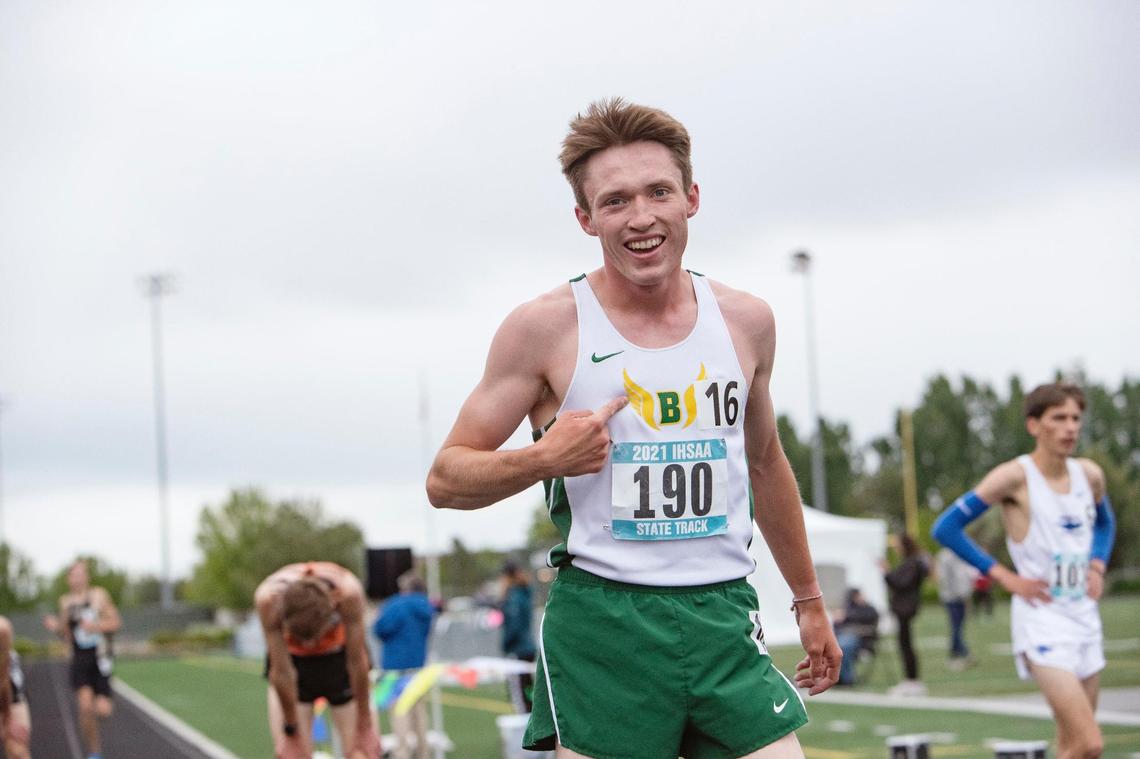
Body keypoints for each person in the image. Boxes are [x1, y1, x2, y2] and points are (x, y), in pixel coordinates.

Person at [427, 97, 841, 759]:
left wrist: (809, 598)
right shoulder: (544, 328)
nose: (641, 217)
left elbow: (765, 463)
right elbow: (444, 479)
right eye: (616, 201)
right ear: (585, 217)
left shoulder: (746, 321)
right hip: (605, 627)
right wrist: (544, 458)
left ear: (692, 198)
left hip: (722, 615)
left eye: (658, 192)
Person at [933, 382, 1115, 759]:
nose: (1070, 427)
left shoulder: (1089, 475)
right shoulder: (1014, 477)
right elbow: (945, 528)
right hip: (1041, 620)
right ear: (1034, 425)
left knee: (1073, 746)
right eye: (1059, 418)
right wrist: (1004, 577)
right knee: (1090, 743)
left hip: (1084, 616)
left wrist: (1097, 563)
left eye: (1076, 419)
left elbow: (1105, 523)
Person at [255, 561, 382, 759]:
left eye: (314, 639)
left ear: (333, 607)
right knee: (291, 755)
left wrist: (364, 726)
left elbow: (357, 662)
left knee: (362, 753)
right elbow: (281, 672)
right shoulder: (268, 600)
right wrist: (290, 730)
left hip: (339, 661)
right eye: (301, 639)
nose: (309, 646)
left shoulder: (348, 592)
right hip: (294, 664)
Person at [43, 559, 120, 759]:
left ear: (87, 577)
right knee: (85, 707)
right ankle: (94, 753)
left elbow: (115, 623)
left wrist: (95, 626)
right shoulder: (65, 602)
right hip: (79, 658)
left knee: (103, 711)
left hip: (100, 656)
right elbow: (66, 633)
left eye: (80, 574)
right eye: (73, 575)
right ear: (69, 579)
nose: (76, 578)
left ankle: (99, 709)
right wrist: (56, 627)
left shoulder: (99, 596)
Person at [373, 570, 435, 759]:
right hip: (418, 665)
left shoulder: (396, 605)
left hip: (395, 667)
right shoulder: (426, 607)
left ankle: (403, 753)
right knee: (419, 714)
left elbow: (380, 629)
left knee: (400, 713)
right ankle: (423, 752)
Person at [882, 534, 928, 696]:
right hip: (903, 607)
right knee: (904, 643)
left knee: (906, 644)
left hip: (906, 608)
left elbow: (901, 584)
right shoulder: (911, 562)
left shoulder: (913, 563)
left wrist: (886, 572)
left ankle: (912, 680)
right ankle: (910, 679)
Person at [498, 561, 537, 713]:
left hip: (518, 650)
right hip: (527, 648)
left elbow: (514, 626)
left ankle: (524, 733)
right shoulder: (524, 593)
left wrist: (506, 645)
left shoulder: (514, 597)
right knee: (528, 695)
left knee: (520, 698)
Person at [935, 547, 977, 670]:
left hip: (957, 596)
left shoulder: (957, 553)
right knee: (956, 626)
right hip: (953, 597)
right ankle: (962, 654)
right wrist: (962, 595)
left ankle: (957, 655)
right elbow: (949, 578)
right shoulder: (946, 555)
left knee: (958, 626)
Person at [832, 589, 880, 686]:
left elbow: (871, 619)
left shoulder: (868, 609)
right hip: (844, 637)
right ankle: (836, 677)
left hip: (862, 642)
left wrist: (846, 617)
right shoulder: (847, 608)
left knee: (843, 647)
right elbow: (836, 626)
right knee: (831, 647)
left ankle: (847, 679)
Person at [0, 616, 31, 759]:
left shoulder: (2, 628)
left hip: (9, 695)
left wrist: (8, 720)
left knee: (16, 748)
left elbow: (5, 685)